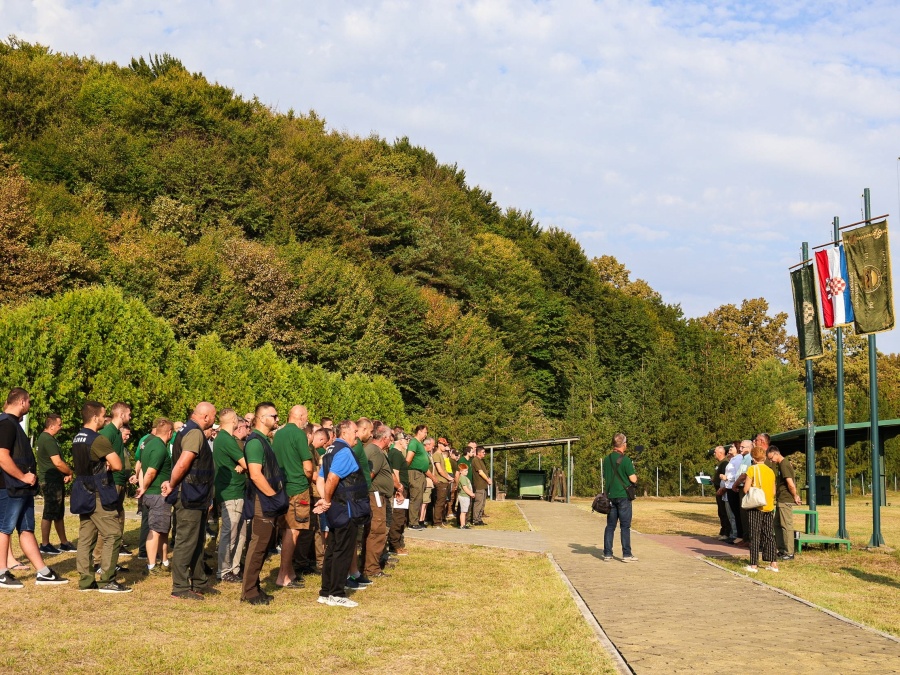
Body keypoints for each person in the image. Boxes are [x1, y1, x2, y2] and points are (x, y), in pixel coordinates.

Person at [0, 388, 69, 589]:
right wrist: (22, 476)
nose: (30, 406)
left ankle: (43, 572)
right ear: (22, 402)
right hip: (9, 488)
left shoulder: (14, 424)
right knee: (4, 528)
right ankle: (2, 572)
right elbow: (2, 456)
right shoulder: (5, 424)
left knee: (26, 528)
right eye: (29, 402)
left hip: (23, 489)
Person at [161, 401, 218, 601]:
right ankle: (180, 586)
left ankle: (199, 581)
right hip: (189, 495)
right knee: (186, 541)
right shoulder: (194, 433)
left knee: (197, 540)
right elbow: (184, 462)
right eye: (213, 416)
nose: (214, 420)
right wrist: (172, 483)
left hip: (197, 495)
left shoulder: (187, 430)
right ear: (205, 417)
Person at [71, 400, 128, 592]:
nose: (106, 419)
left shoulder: (77, 437)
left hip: (82, 490)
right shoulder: (98, 439)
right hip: (98, 492)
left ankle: (86, 580)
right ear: (95, 417)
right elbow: (118, 464)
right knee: (113, 534)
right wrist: (109, 462)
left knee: (86, 537)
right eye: (104, 415)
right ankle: (107, 580)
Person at [314, 419, 371, 608]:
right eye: (355, 431)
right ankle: (337, 593)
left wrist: (324, 500)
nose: (357, 435)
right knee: (343, 551)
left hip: (335, 508)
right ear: (345, 433)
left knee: (332, 549)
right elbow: (331, 478)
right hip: (346, 509)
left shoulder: (330, 450)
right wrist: (327, 500)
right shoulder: (345, 451)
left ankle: (325, 591)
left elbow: (320, 478)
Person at [241, 402, 287, 605]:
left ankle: (255, 588)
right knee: (257, 547)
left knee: (262, 546)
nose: (277, 419)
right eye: (274, 416)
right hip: (262, 502)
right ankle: (249, 592)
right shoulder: (254, 442)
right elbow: (255, 474)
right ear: (261, 418)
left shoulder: (264, 441)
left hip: (267, 501)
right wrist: (274, 497)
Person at [272, 404, 313, 590]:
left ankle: (289, 572)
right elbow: (308, 467)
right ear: (301, 416)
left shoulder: (278, 434)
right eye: (306, 417)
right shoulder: (299, 434)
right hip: (298, 487)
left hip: (282, 488)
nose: (307, 421)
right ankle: (284, 575)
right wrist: (310, 477)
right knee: (293, 530)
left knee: (286, 528)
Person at [134, 418, 174, 575]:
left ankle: (164, 561)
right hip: (157, 494)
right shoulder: (160, 448)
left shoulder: (149, 443)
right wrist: (143, 488)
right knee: (155, 530)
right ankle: (151, 565)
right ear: (169, 433)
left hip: (155, 493)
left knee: (163, 529)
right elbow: (151, 471)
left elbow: (143, 468)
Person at [213, 408, 248, 583]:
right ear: (234, 420)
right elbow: (246, 462)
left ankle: (234, 568)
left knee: (240, 533)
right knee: (230, 534)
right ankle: (224, 570)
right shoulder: (226, 439)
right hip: (231, 492)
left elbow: (242, 462)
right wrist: (243, 464)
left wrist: (242, 464)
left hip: (236, 491)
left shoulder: (224, 438)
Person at [35, 414, 74, 555]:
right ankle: (45, 544)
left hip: (54, 480)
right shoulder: (48, 440)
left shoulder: (46, 438)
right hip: (50, 481)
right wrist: (69, 472)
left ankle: (64, 543)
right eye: (59, 424)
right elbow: (57, 462)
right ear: (51, 426)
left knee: (58, 513)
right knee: (49, 512)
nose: (61, 426)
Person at [98, 402, 132, 562]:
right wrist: (108, 466)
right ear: (121, 414)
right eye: (129, 414)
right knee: (108, 520)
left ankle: (112, 559)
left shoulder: (117, 433)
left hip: (119, 480)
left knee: (118, 518)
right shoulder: (108, 432)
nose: (130, 417)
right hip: (111, 481)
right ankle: (98, 560)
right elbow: (98, 454)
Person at [601, 433, 638, 562]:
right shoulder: (626, 460)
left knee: (610, 526)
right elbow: (633, 479)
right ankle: (626, 554)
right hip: (623, 497)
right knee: (625, 526)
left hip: (610, 497)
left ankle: (607, 553)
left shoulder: (607, 459)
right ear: (624, 444)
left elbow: (606, 476)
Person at [363, 423, 393, 580]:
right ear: (385, 438)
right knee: (377, 530)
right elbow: (369, 475)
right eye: (390, 438)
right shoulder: (375, 452)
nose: (391, 441)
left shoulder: (372, 449)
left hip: (375, 495)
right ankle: (372, 568)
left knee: (372, 530)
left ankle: (368, 564)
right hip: (375, 496)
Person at [742, 444, 778, 573]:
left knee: (755, 534)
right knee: (769, 534)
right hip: (769, 505)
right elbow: (774, 491)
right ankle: (773, 563)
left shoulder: (752, 469)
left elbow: (746, 489)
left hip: (756, 506)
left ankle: (753, 564)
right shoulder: (770, 471)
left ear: (753, 457)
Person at [766, 445, 802, 561]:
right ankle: (781, 549)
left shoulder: (784, 464)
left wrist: (795, 495)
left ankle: (789, 552)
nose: (771, 461)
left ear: (776, 453)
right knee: (776, 524)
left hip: (786, 499)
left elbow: (790, 483)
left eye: (771, 458)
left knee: (786, 526)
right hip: (781, 498)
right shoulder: (781, 464)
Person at [387, 433, 410, 556]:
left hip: (402, 489)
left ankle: (398, 543)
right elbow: (395, 473)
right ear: (400, 441)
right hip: (399, 490)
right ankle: (394, 545)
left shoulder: (399, 454)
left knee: (401, 517)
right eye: (406, 440)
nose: (407, 442)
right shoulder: (395, 454)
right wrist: (399, 489)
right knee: (398, 517)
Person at [405, 425, 431, 530]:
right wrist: (403, 471)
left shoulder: (419, 444)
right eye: (425, 432)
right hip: (414, 473)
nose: (426, 434)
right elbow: (408, 459)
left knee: (419, 498)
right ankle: (412, 523)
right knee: (415, 498)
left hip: (420, 474)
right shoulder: (414, 443)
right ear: (419, 432)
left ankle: (415, 521)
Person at [430, 437, 452, 527]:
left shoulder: (441, 455)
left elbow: (444, 469)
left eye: (446, 445)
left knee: (442, 503)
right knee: (439, 503)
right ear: (439, 444)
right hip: (441, 482)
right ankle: (437, 523)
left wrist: (449, 478)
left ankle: (440, 521)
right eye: (444, 445)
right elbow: (439, 470)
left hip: (444, 482)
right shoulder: (436, 455)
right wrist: (448, 477)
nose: (445, 447)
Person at [711, 445, 730, 542]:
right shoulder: (720, 463)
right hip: (718, 489)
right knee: (720, 512)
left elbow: (725, 477)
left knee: (724, 512)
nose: (714, 454)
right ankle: (722, 531)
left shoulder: (725, 463)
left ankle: (726, 532)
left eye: (715, 452)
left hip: (722, 490)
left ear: (720, 453)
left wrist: (723, 489)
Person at [470, 446, 492, 526]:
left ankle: (479, 519)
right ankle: (475, 520)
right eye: (483, 452)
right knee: (478, 503)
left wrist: (488, 479)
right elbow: (480, 472)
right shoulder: (475, 460)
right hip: (479, 485)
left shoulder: (481, 461)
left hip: (484, 485)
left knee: (482, 504)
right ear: (478, 453)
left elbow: (484, 472)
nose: (484, 453)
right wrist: (488, 480)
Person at [457, 463, 475, 529]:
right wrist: (471, 494)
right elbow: (465, 488)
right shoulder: (463, 478)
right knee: (463, 512)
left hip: (465, 496)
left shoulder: (464, 477)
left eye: (467, 470)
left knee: (464, 511)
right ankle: (462, 525)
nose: (466, 472)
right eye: (465, 471)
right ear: (460, 471)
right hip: (464, 496)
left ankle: (464, 524)